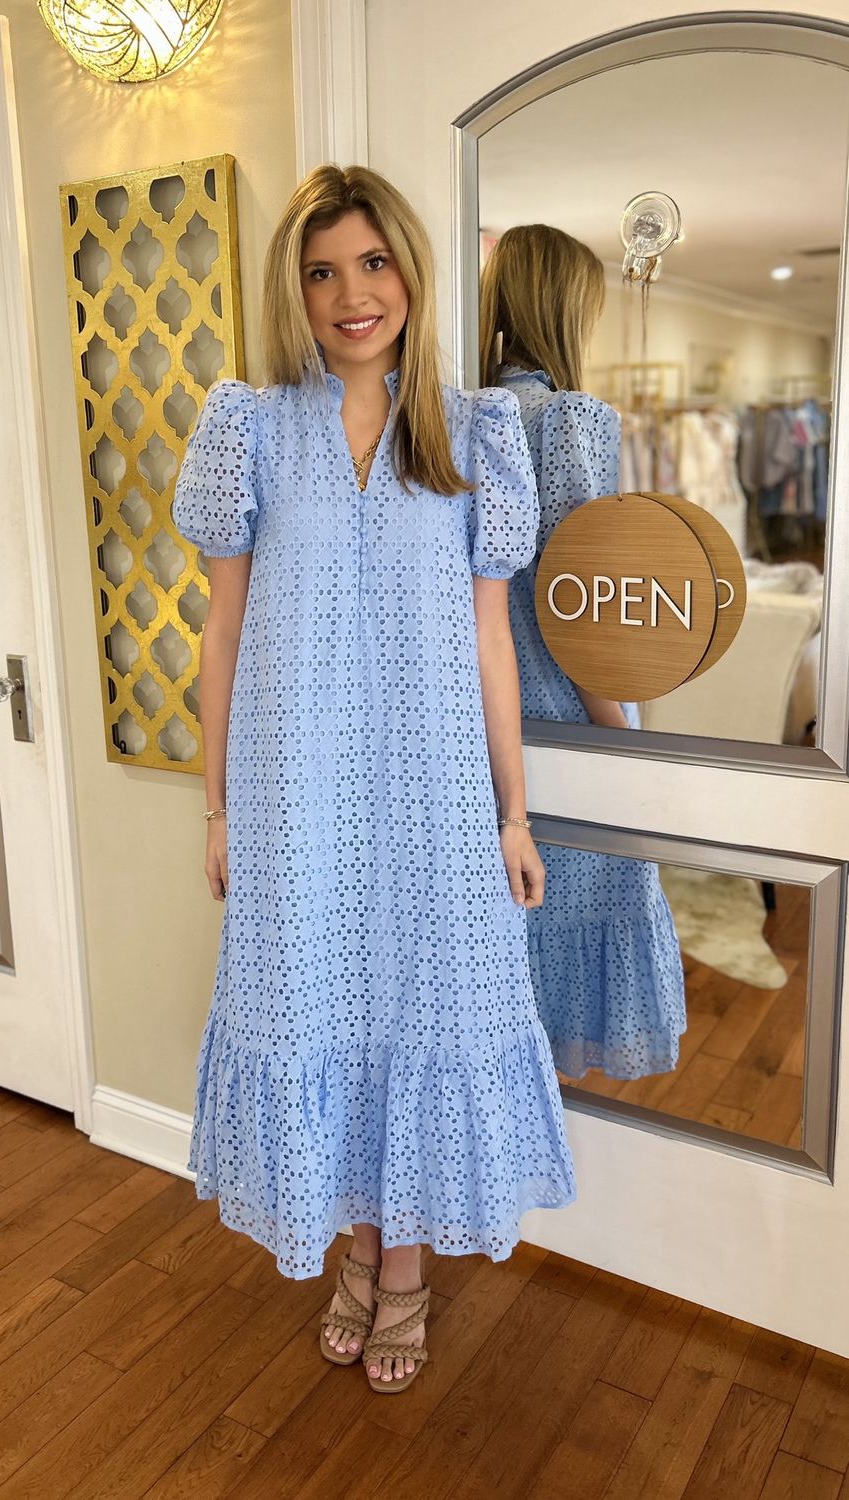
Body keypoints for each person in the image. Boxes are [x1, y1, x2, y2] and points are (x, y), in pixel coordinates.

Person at [171, 167, 575, 1394]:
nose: (352, 294)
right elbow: (224, 631)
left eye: (373, 262)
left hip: (437, 798)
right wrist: (218, 806)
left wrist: (513, 813)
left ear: (410, 272)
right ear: (293, 289)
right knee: (323, 1012)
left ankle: (401, 1269)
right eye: (322, 270)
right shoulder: (250, 427)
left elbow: (492, 641)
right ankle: (356, 1249)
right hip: (294, 797)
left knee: (420, 1016)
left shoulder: (471, 432)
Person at [479, 223, 686, 1082]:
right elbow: (581, 604)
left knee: (513, 930)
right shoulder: (567, 420)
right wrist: (623, 737)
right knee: (587, 904)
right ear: (568, 309)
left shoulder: (464, 413)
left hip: (489, 722)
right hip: (569, 711)